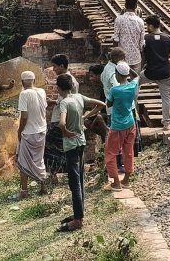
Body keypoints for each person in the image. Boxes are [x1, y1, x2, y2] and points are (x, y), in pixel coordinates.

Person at [56, 73, 106, 232]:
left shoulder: (64, 103)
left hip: (71, 145)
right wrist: (85, 115)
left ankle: (77, 220)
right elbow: (101, 104)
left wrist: (64, 130)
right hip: (81, 142)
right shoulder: (79, 97)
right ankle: (79, 213)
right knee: (80, 179)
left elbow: (62, 122)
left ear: (58, 88)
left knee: (74, 182)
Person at [139, 15, 170, 131]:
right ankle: (166, 124)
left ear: (150, 25)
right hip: (166, 73)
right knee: (166, 98)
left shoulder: (146, 38)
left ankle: (132, 110)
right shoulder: (168, 38)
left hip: (150, 73)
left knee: (134, 83)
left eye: (147, 25)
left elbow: (142, 54)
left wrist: (141, 67)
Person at [105, 62, 139, 191]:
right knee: (128, 151)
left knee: (110, 153)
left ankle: (116, 183)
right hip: (131, 123)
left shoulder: (115, 90)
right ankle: (126, 180)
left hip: (118, 126)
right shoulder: (132, 86)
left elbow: (108, 104)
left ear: (118, 74)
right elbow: (136, 76)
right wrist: (128, 69)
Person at [15, 70, 49, 199]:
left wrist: (19, 131)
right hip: (42, 130)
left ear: (22, 81)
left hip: (29, 132)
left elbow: (24, 117)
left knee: (23, 162)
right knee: (39, 159)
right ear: (34, 80)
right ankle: (43, 187)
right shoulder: (42, 91)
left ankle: (24, 191)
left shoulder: (24, 94)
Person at [113, 0, 145, 70]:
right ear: (136, 6)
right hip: (136, 58)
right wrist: (143, 59)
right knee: (135, 80)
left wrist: (114, 57)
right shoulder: (140, 21)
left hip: (122, 58)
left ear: (125, 5)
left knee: (121, 80)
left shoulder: (119, 19)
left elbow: (116, 39)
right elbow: (142, 43)